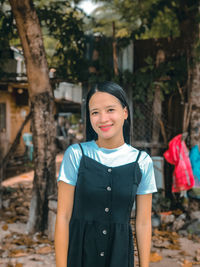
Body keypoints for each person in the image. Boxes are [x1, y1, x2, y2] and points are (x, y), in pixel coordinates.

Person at [55, 81, 157, 267]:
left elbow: (142, 222)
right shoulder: (76, 155)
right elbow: (63, 216)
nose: (103, 118)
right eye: (95, 112)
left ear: (125, 113)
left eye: (110, 110)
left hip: (119, 257)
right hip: (80, 256)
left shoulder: (142, 162)